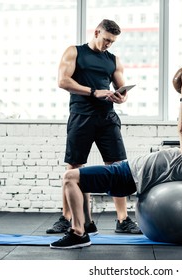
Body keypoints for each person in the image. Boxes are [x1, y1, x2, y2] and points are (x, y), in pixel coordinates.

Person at [50, 70, 182, 249]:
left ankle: (78, 233)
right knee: (79, 180)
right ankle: (87, 225)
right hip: (125, 171)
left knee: (70, 177)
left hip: (125, 176)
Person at [46, 19, 141, 236]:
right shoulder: (75, 52)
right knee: (74, 167)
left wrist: (122, 97)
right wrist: (92, 91)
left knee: (118, 168)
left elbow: (121, 88)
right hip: (81, 116)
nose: (109, 44)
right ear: (97, 32)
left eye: (113, 41)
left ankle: (123, 219)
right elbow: (63, 81)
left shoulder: (113, 60)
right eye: (107, 39)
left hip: (107, 118)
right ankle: (67, 218)